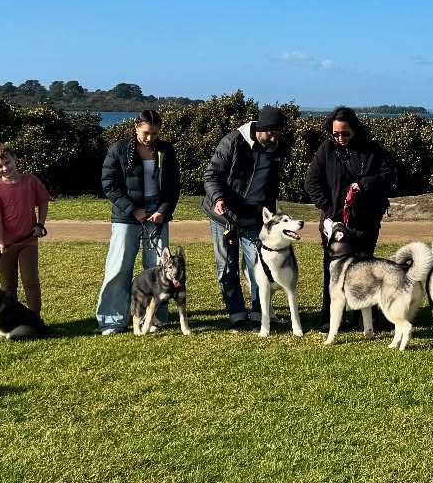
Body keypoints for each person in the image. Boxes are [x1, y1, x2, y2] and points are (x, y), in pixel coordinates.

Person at [305, 107, 396, 332]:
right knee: (333, 272)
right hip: (334, 223)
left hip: (365, 221)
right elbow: (311, 182)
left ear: (354, 129)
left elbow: (389, 176)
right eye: (336, 134)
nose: (340, 138)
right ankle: (331, 322)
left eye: (345, 134)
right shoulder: (326, 150)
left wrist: (364, 184)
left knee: (364, 269)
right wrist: (329, 207)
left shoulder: (371, 150)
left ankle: (366, 323)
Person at [94, 110, 182, 334]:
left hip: (157, 216)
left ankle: (153, 318)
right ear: (136, 128)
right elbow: (109, 184)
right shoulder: (119, 149)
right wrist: (133, 209)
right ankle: (112, 320)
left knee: (158, 269)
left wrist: (163, 210)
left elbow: (173, 186)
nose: (150, 138)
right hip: (127, 216)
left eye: (154, 133)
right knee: (119, 267)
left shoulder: (166, 150)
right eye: (145, 133)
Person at [203, 105, 288, 330]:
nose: (273, 138)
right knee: (227, 267)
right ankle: (237, 316)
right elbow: (212, 175)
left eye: (278, 134)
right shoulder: (233, 141)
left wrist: (269, 218)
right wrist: (218, 198)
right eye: (271, 133)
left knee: (260, 267)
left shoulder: (276, 148)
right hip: (224, 217)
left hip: (255, 219)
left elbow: (272, 187)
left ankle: (260, 316)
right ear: (260, 128)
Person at [0, 142, 51, 315]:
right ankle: (12, 320)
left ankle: (35, 318)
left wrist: (40, 224)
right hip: (6, 244)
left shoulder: (31, 181)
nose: (5, 168)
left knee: (31, 282)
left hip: (28, 241)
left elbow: (43, 201)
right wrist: (0, 241)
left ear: (15, 160)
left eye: (8, 163)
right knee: (8, 286)